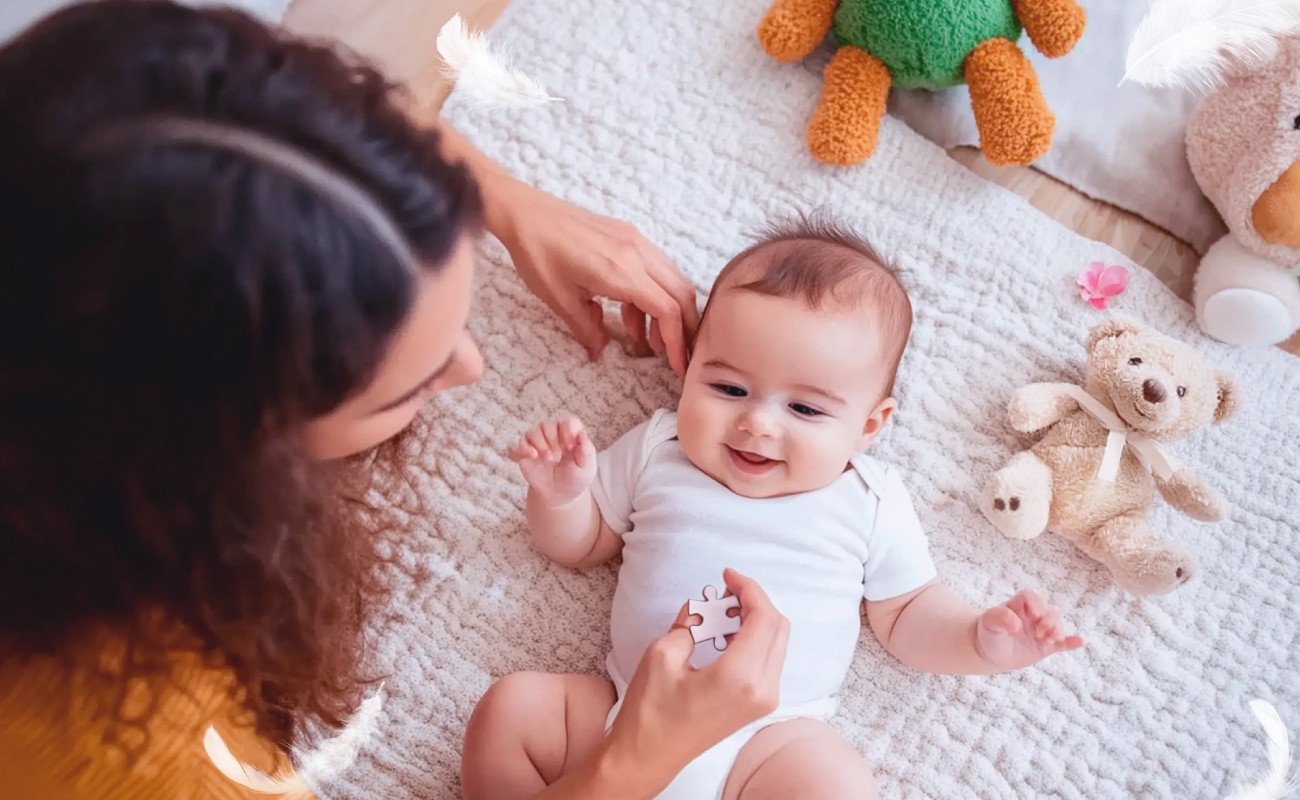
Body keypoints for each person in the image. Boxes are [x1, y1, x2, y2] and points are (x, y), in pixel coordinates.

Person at [0, 2, 793, 799]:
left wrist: (502, 202)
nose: (474, 366)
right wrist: (636, 758)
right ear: (229, 458)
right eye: (408, 386)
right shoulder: (139, 749)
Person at [470, 217, 1085, 800]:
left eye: (806, 410)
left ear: (869, 425)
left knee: (837, 784)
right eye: (729, 389)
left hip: (767, 745)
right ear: (689, 373)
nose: (757, 424)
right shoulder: (661, 449)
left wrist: (979, 641)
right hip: (624, 709)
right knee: (511, 709)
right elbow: (581, 544)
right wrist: (562, 495)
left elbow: (908, 613)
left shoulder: (868, 498)